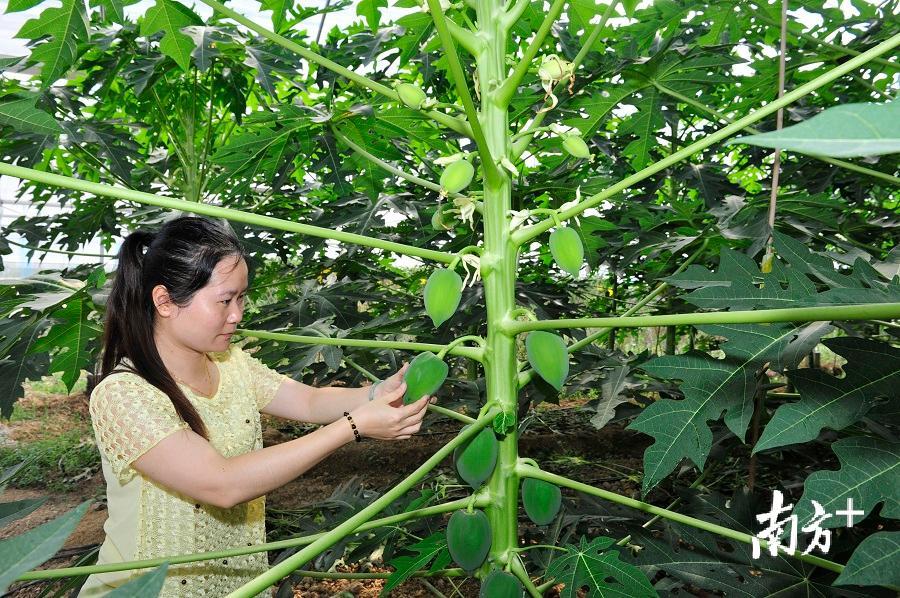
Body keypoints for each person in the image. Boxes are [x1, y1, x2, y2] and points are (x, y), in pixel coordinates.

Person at [78, 216, 432, 597]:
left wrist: (379, 392)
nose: (238, 314)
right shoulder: (124, 394)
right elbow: (222, 483)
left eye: (242, 297)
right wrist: (352, 427)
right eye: (225, 300)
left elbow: (308, 400)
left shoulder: (231, 364)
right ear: (164, 301)